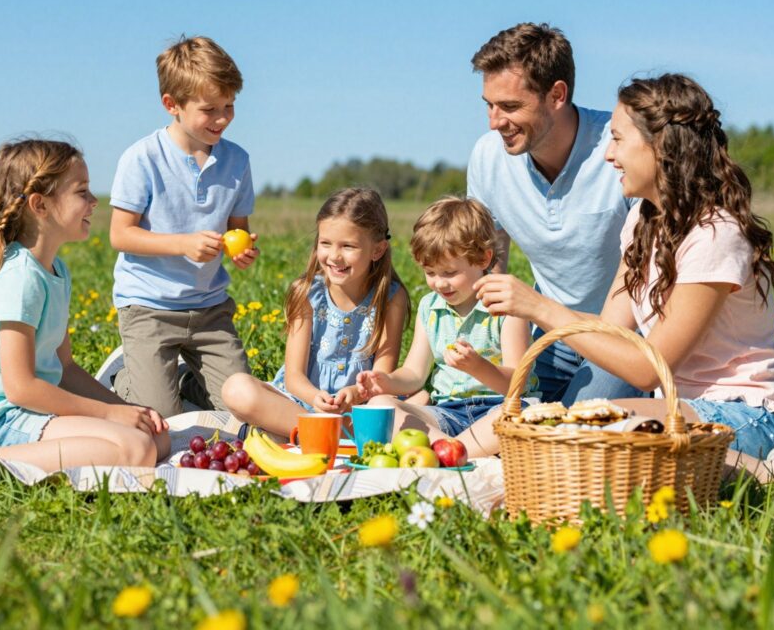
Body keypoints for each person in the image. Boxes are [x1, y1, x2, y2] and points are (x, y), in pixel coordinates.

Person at [468, 74, 774, 488]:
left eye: (619, 140)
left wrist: (539, 307)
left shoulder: (715, 234)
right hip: (678, 410)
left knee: (606, 445)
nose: (608, 155)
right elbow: (611, 332)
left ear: (660, 147)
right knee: (571, 428)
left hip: (739, 412)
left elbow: (646, 368)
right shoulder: (644, 221)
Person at [0, 139, 171, 477]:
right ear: (40, 205)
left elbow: (65, 367)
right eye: (82, 192)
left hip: (29, 408)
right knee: (138, 449)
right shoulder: (20, 278)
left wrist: (127, 409)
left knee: (156, 438)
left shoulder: (55, 271)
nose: (94, 202)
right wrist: (106, 415)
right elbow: (20, 387)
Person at [466, 22, 643, 405]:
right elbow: (489, 260)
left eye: (511, 107)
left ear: (556, 95)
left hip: (622, 336)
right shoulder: (487, 157)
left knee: (581, 428)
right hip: (547, 334)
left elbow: (642, 275)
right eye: (489, 105)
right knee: (500, 420)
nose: (495, 122)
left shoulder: (620, 153)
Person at [108, 35, 258, 418]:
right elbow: (120, 235)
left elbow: (236, 228)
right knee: (161, 417)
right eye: (209, 109)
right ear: (171, 105)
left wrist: (241, 248)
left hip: (209, 309)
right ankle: (127, 381)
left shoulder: (237, 161)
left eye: (229, 106)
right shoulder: (142, 158)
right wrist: (183, 244)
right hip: (149, 308)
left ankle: (191, 380)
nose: (222, 118)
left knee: (243, 409)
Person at [222, 188, 410, 438]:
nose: (334, 256)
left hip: (356, 410)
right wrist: (315, 397)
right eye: (326, 243)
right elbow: (294, 377)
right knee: (236, 388)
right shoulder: (308, 292)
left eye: (348, 246)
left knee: (396, 405)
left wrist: (354, 393)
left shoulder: (390, 298)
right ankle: (324, 433)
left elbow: (381, 378)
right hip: (301, 403)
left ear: (377, 250)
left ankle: (310, 434)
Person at [357, 197, 534, 437]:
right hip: (448, 412)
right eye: (430, 272)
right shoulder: (430, 307)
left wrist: (478, 367)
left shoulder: (506, 305)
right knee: (381, 405)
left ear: (483, 259)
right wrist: (386, 382)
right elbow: (414, 373)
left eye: (449, 272)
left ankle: (448, 449)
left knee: (522, 418)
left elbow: (517, 383)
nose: (439, 283)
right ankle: (454, 448)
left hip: (500, 409)